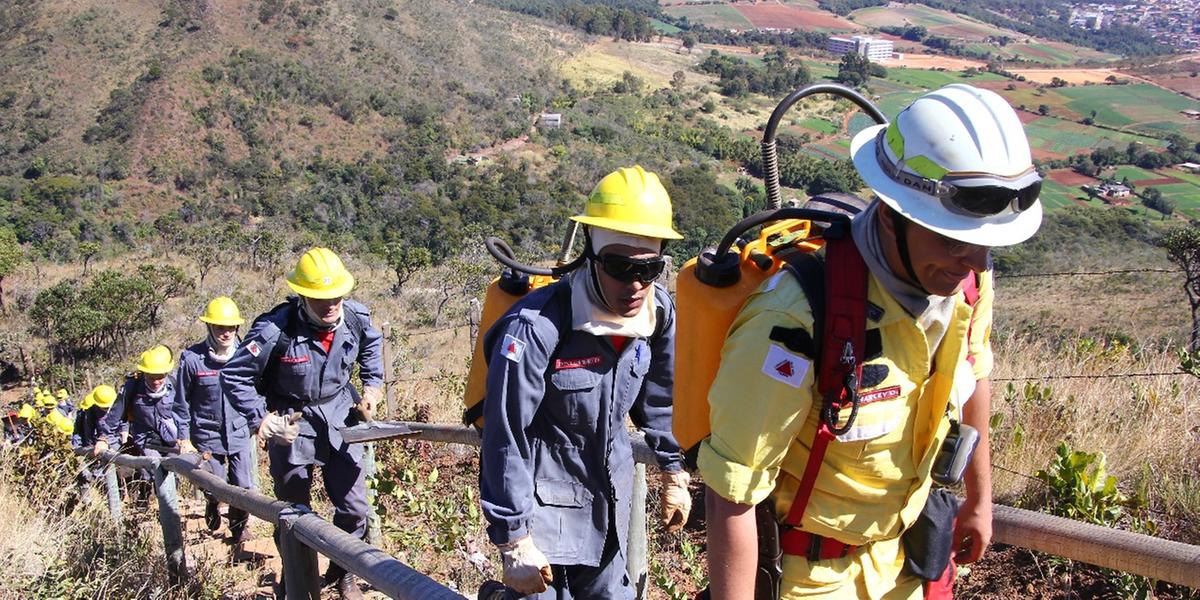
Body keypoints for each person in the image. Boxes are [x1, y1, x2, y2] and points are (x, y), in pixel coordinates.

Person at [700, 84, 1042, 599]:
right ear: (889, 217)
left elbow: (975, 373)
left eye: (988, 245)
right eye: (953, 240)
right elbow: (733, 492)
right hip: (810, 575)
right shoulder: (793, 315)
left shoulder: (966, 281)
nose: (974, 261)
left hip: (908, 558)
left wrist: (979, 498)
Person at [479, 165, 692, 599]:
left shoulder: (658, 315)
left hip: (609, 503)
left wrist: (674, 471)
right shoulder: (536, 327)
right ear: (591, 256)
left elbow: (660, 399)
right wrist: (513, 539)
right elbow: (506, 435)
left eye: (649, 268)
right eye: (619, 266)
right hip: (540, 512)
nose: (635, 284)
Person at [222, 247, 383, 600]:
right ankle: (298, 577)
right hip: (290, 420)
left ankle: (343, 573)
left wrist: (372, 387)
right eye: (320, 298)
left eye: (336, 296)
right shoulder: (274, 329)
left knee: (354, 508)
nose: (330, 305)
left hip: (340, 415)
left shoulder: (354, 318)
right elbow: (234, 376)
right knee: (293, 511)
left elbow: (372, 345)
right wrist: (260, 418)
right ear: (302, 294)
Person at [177, 296, 253, 545]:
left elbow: (257, 391)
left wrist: (261, 423)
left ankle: (239, 528)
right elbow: (181, 402)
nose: (226, 333)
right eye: (220, 327)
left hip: (239, 431)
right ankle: (212, 503)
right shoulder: (192, 360)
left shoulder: (247, 355)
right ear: (210, 327)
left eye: (230, 327)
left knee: (242, 484)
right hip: (207, 435)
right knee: (215, 485)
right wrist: (184, 437)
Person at [96, 346, 195, 505]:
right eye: (151, 376)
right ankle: (160, 505)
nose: (156, 381)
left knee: (174, 470)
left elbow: (188, 411)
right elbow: (116, 413)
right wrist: (104, 438)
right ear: (144, 373)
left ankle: (167, 507)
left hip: (173, 438)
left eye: (160, 376)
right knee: (156, 468)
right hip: (146, 438)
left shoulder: (176, 383)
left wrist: (186, 438)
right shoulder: (132, 386)